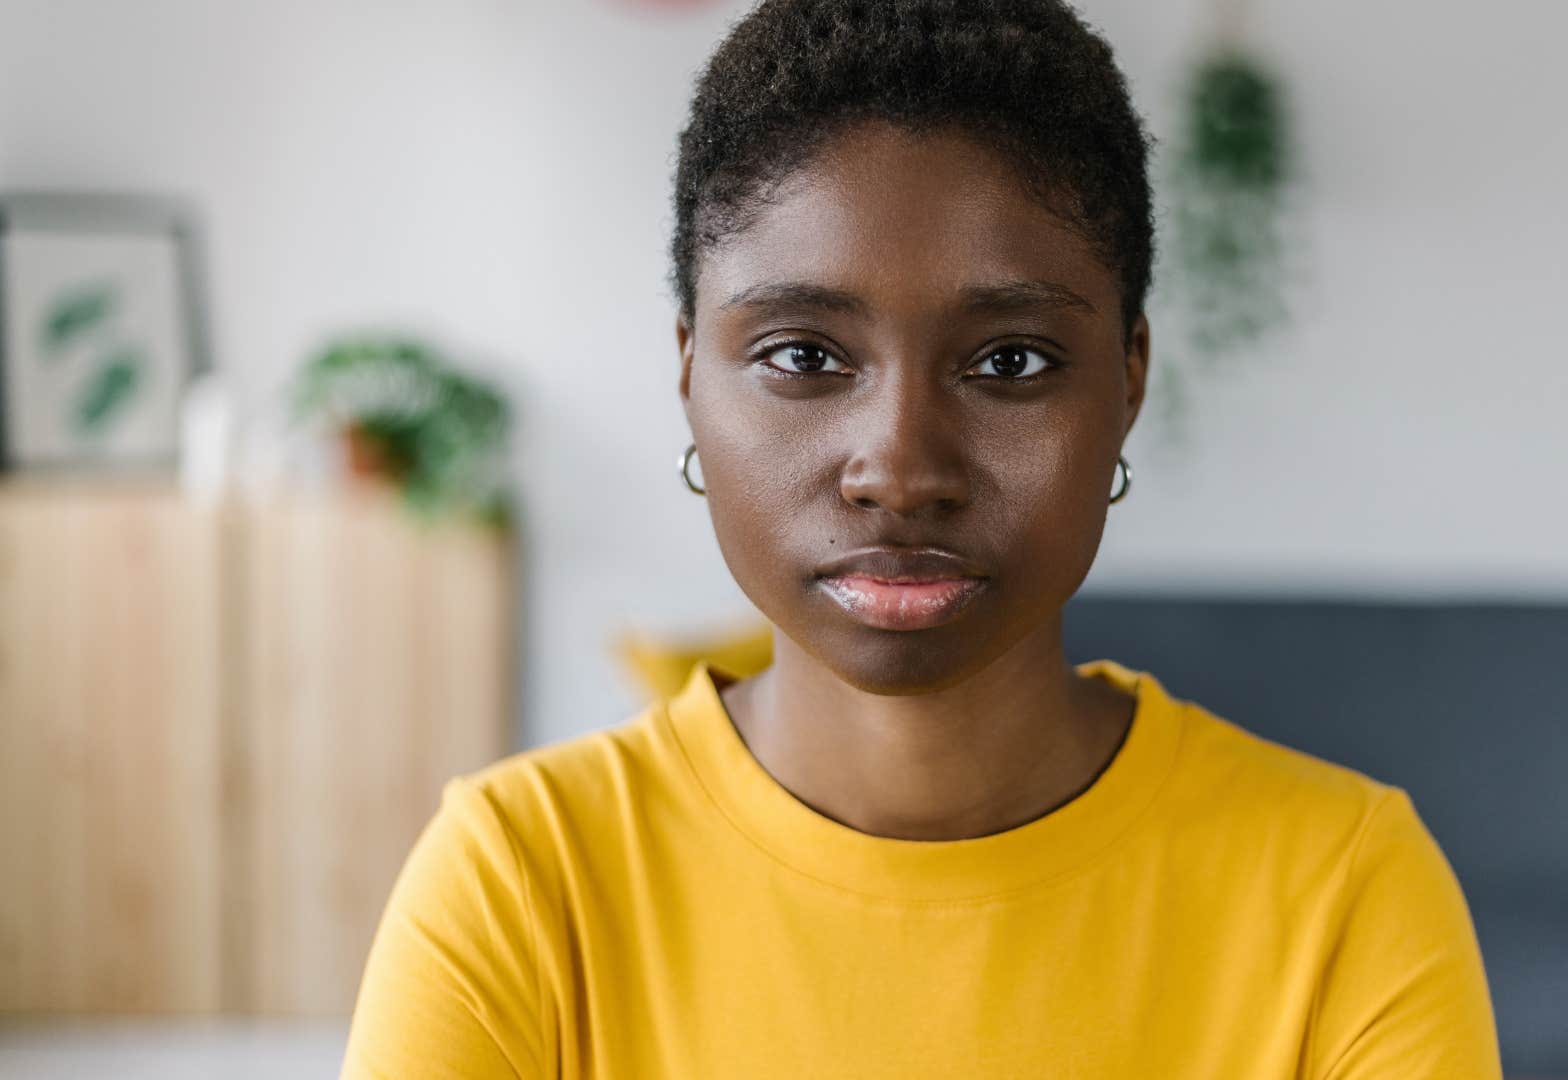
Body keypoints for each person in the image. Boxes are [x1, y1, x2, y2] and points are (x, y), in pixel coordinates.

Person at [341, 1, 1502, 1076]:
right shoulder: (519, 884)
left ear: (1129, 379)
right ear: (689, 371)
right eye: (804, 355)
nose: (898, 469)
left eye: (1011, 361)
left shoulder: (1345, 894)